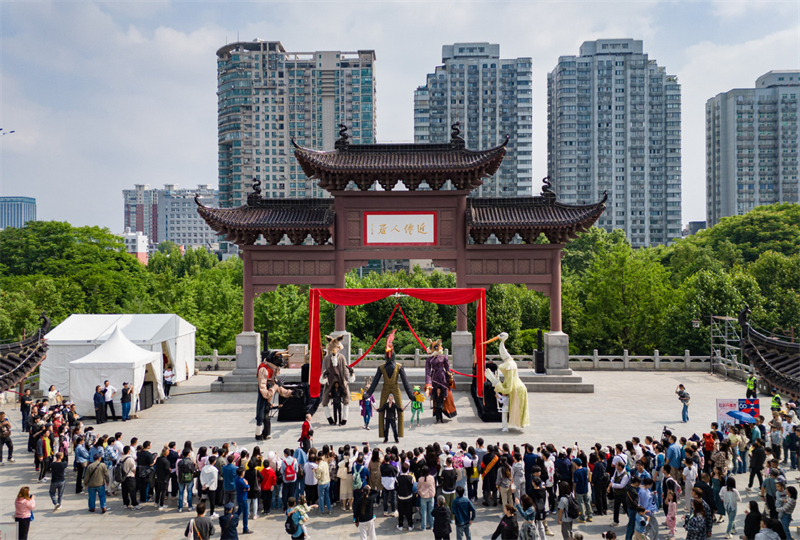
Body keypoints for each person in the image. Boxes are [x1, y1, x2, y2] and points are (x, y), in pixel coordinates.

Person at [396, 462, 416, 530]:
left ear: (401, 469)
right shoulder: (410, 478)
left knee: (400, 511)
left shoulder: (398, 478)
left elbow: (395, 487)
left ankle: (400, 525)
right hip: (409, 497)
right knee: (409, 511)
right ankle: (410, 525)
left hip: (400, 497)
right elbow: (412, 486)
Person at [234, 466, 253, 534]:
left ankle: (232, 520)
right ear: (242, 473)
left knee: (239, 511)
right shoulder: (241, 481)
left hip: (239, 498)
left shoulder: (237, 479)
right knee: (245, 513)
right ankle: (245, 528)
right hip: (243, 498)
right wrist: (247, 484)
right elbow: (247, 487)